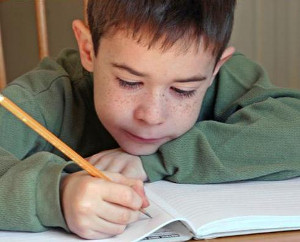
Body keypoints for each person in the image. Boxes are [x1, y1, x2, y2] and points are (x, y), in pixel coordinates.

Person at [0, 0, 300, 240]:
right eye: (129, 83)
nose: (152, 116)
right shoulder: (43, 97)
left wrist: (156, 160)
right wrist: (57, 197)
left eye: (183, 91)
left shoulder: (219, 75)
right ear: (88, 50)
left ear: (216, 69)